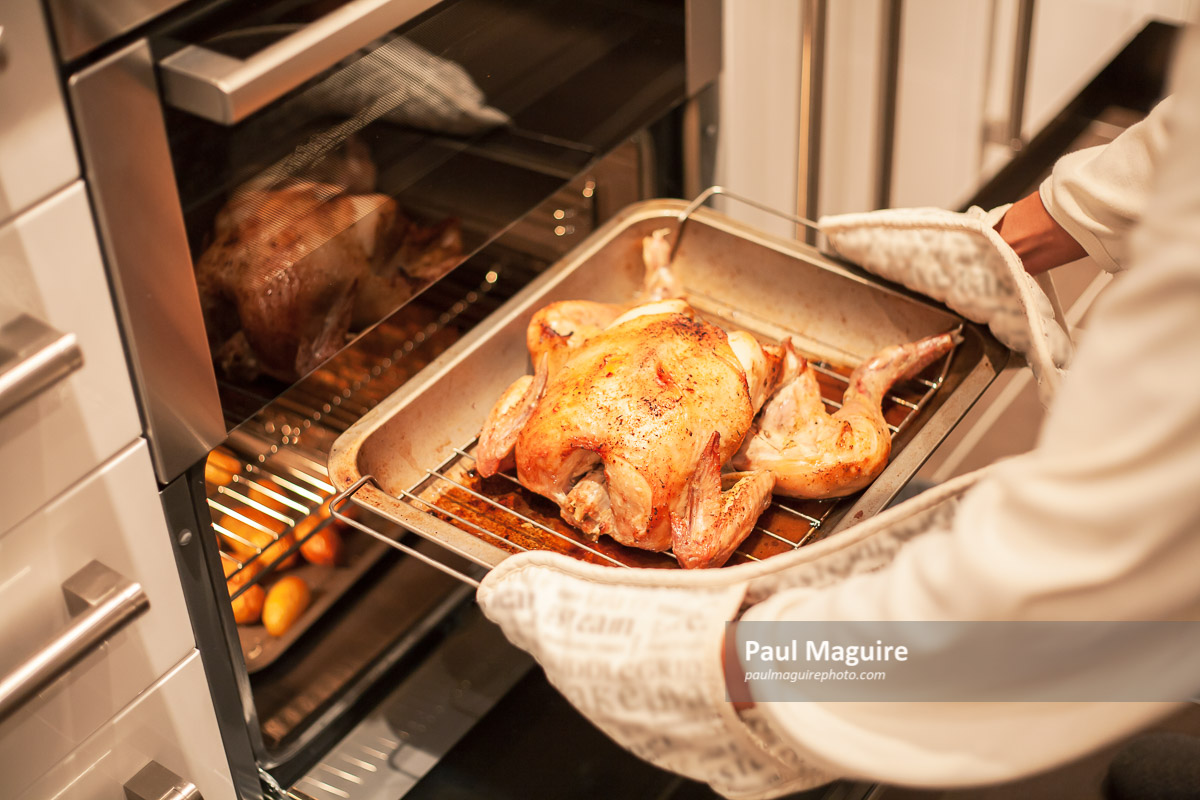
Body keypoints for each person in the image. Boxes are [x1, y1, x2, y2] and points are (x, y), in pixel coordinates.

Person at [474, 20, 1200, 800]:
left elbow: (1076, 584)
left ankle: (863, 384)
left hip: (669, 367)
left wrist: (720, 662)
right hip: (677, 383)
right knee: (825, 458)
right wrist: (1027, 231)